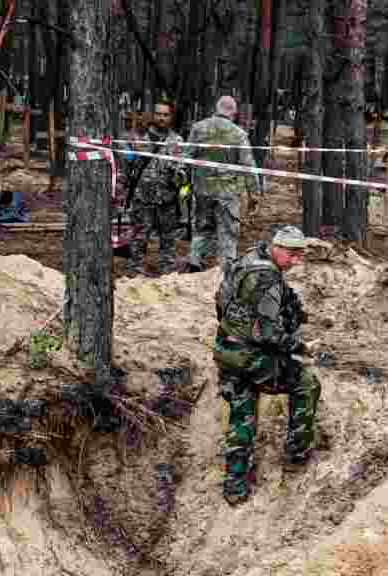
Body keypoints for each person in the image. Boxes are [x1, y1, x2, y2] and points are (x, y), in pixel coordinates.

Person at [212, 225, 322, 506]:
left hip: (226, 350)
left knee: (242, 415)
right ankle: (297, 456)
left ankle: (235, 488)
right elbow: (268, 334)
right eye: (294, 256)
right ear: (279, 249)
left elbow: (221, 301)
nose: (297, 262)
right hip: (251, 356)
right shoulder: (268, 279)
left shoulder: (248, 259)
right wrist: (300, 347)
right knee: (307, 383)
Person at [186, 95, 264, 272]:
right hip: (227, 193)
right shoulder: (239, 134)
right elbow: (248, 166)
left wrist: (187, 184)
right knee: (228, 233)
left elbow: (186, 157)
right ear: (234, 113)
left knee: (201, 228)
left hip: (202, 190)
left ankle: (195, 261)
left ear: (216, 108)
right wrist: (254, 194)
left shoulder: (198, 128)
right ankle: (225, 270)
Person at [120, 99, 187, 277]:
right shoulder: (139, 138)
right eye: (158, 114)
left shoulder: (177, 141)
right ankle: (135, 272)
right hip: (142, 198)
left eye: (166, 115)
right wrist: (122, 185)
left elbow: (184, 171)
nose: (162, 118)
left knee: (168, 240)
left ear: (171, 117)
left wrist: (179, 175)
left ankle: (167, 273)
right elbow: (127, 166)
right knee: (139, 238)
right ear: (153, 115)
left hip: (167, 200)